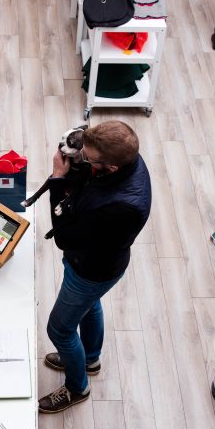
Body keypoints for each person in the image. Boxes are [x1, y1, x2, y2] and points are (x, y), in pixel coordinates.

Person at [39, 121, 152, 414]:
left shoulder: (121, 207)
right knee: (90, 306)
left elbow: (63, 237)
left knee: (60, 329)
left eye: (88, 158)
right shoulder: (128, 160)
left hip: (89, 270)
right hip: (101, 263)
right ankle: (90, 358)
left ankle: (77, 387)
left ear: (110, 167)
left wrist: (57, 179)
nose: (83, 160)